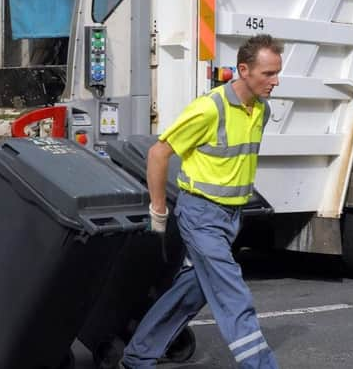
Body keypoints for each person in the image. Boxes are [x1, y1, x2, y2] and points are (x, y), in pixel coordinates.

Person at [121, 34, 283, 369]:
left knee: (191, 292)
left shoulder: (261, 111)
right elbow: (158, 152)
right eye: (268, 74)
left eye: (277, 73)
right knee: (232, 294)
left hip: (230, 219)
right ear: (244, 70)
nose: (275, 81)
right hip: (201, 215)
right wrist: (158, 210)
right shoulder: (210, 108)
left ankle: (137, 358)